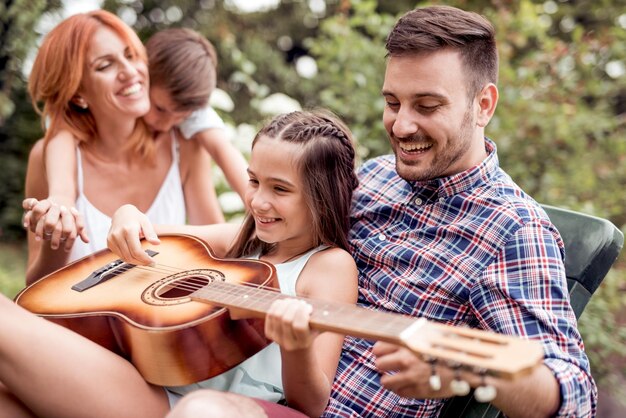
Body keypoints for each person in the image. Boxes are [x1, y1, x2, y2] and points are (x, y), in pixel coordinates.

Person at [315, 5, 596, 418]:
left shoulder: (512, 230)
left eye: (427, 106)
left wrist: (465, 366)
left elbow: (576, 398)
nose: (401, 126)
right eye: (393, 102)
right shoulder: (373, 176)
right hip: (277, 387)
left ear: (484, 105)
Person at [0, 109, 359, 417]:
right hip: (146, 380)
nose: (258, 202)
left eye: (279, 189)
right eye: (253, 181)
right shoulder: (242, 237)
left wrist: (294, 345)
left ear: (323, 195)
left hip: (185, 406)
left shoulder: (330, 266)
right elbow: (148, 233)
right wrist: (126, 215)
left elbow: (311, 403)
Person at [21, 13, 230, 285]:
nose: (131, 72)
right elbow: (36, 290)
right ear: (77, 94)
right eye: (105, 65)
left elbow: (218, 257)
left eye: (131, 56)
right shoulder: (49, 156)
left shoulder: (185, 146)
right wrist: (56, 237)